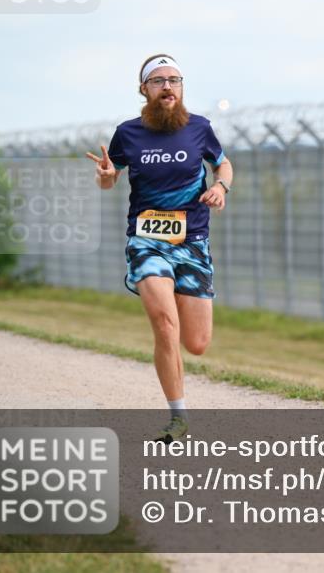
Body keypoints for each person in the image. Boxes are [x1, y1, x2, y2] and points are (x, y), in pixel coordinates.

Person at [86, 54, 233, 443]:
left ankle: (179, 357)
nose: (167, 86)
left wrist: (220, 187)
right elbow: (110, 178)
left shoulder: (200, 128)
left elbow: (224, 164)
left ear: (181, 88)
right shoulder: (129, 133)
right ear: (144, 90)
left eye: (174, 79)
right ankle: (178, 416)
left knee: (197, 344)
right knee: (165, 326)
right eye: (158, 81)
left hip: (193, 241)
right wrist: (105, 177)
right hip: (146, 241)